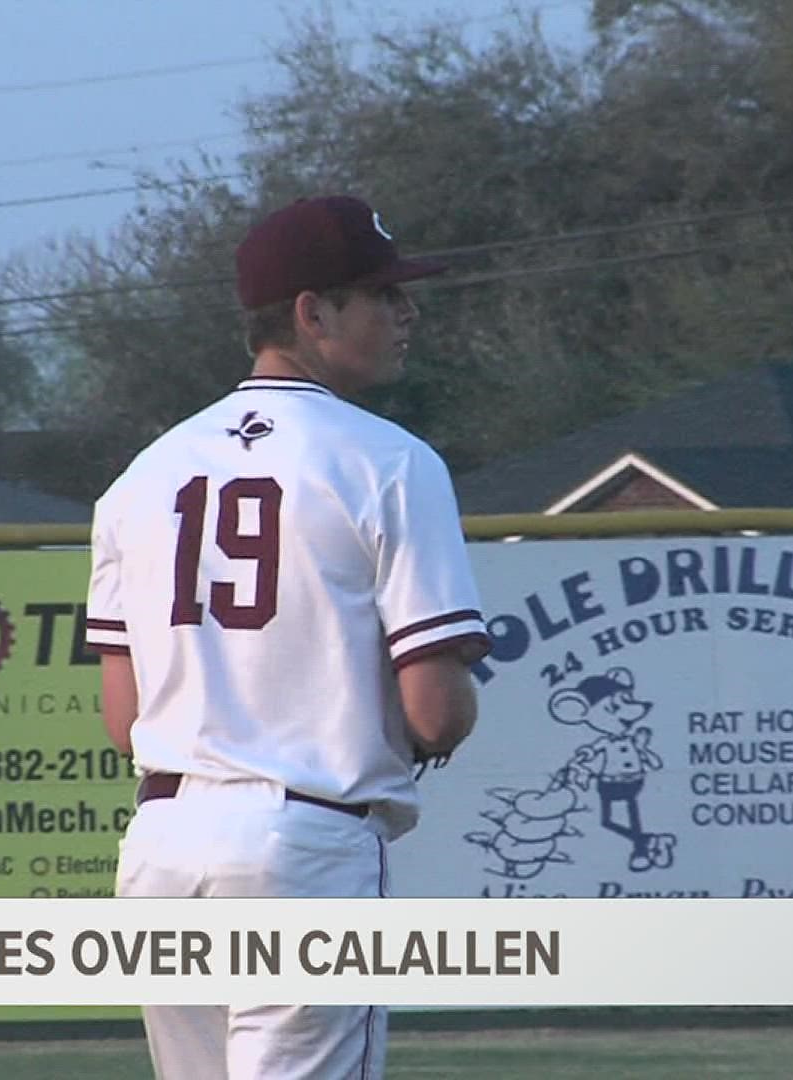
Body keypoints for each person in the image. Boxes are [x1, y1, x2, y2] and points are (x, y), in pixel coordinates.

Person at [83, 194, 493, 1080]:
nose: (405, 310)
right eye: (379, 293)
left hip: (162, 847)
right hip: (302, 843)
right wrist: (444, 706)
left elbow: (123, 719)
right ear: (312, 312)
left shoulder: (142, 474)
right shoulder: (388, 459)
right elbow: (436, 710)